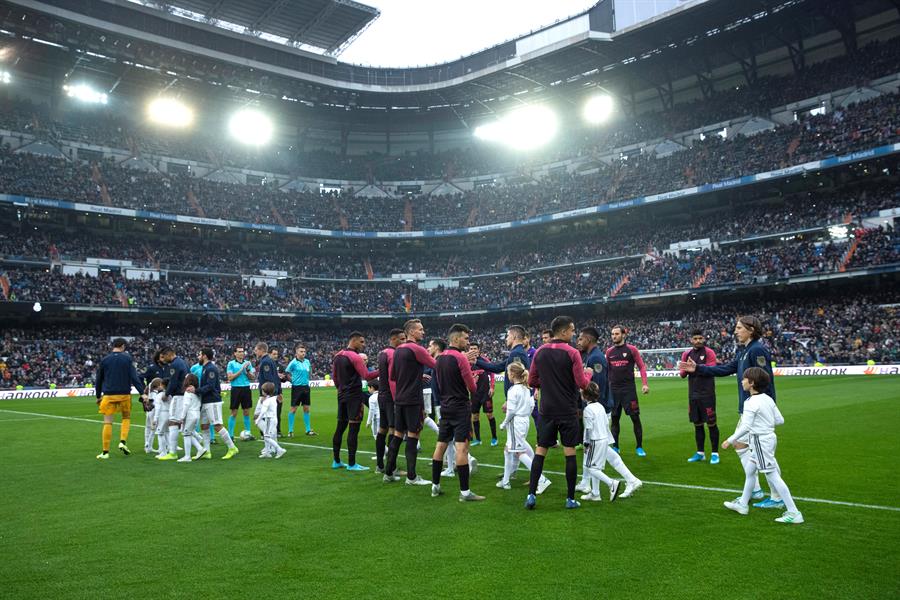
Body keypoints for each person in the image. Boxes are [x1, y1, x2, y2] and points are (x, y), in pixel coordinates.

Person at [678, 316, 783, 509]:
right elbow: (726, 369)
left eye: (739, 328)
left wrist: (766, 408)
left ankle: (776, 498)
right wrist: (698, 368)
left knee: (763, 455)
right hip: (748, 408)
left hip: (757, 410)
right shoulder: (744, 351)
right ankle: (757, 490)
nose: (736, 331)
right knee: (742, 446)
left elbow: (765, 380)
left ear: (751, 330)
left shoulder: (757, 350)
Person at [525, 316, 593, 510]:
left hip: (546, 409)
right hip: (567, 409)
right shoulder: (572, 353)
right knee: (569, 453)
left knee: (540, 451)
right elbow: (581, 382)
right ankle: (570, 499)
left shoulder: (539, 352)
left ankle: (531, 495)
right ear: (563, 332)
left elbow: (532, 381)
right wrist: (589, 376)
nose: (573, 334)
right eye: (572, 330)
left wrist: (547, 384)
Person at [721, 368, 803, 524]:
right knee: (750, 471)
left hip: (759, 441)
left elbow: (745, 427)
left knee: (773, 476)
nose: (742, 381)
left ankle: (794, 512)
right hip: (768, 439)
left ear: (752, 383)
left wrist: (730, 440)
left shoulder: (750, 402)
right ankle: (743, 504)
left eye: (744, 379)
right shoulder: (768, 399)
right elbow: (780, 420)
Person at [576, 327, 643, 499]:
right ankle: (591, 487)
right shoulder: (594, 356)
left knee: (593, 448)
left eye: (581, 339)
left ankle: (627, 480)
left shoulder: (596, 357)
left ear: (589, 340)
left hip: (598, 409)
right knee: (602, 451)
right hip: (600, 408)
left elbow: (595, 387)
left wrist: (589, 405)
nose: (578, 341)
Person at [429, 324, 485, 502]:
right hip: (460, 407)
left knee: (441, 445)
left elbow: (438, 384)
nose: (468, 342)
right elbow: (472, 388)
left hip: (445, 407)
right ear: (455, 339)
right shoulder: (460, 358)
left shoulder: (440, 359)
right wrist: (473, 377)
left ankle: (435, 486)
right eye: (466, 338)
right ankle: (465, 492)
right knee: (462, 448)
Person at [385, 318, 436, 486]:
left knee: (398, 435)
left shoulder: (398, 350)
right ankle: (412, 477)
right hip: (413, 399)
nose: (423, 332)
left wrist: (414, 375)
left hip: (399, 399)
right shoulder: (417, 349)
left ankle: (388, 473)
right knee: (413, 436)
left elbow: (393, 376)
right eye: (420, 329)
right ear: (412, 332)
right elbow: (436, 365)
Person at [497, 362, 550, 494]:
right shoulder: (527, 389)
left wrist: (504, 423)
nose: (508, 375)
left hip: (516, 422)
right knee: (509, 449)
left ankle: (541, 479)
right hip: (524, 421)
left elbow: (511, 411)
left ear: (513, 374)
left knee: (518, 452)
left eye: (509, 373)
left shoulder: (513, 390)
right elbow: (532, 405)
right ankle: (506, 480)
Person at [331, 332, 379, 471]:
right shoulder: (354, 356)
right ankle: (352, 464)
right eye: (362, 342)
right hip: (354, 396)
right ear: (354, 341)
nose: (364, 345)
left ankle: (336, 461)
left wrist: (340, 389)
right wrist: (383, 369)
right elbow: (367, 375)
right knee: (353, 429)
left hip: (342, 395)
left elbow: (335, 377)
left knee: (340, 428)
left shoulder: (338, 355)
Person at [94, 338, 145, 459]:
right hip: (124, 395)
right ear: (122, 346)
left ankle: (105, 452)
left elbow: (99, 380)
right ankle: (122, 441)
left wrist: (98, 396)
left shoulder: (105, 360)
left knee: (107, 422)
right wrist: (142, 393)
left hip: (108, 395)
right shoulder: (127, 359)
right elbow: (134, 377)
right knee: (126, 418)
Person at [605, 325, 649, 456]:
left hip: (628, 390)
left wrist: (645, 384)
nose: (614, 336)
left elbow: (641, 366)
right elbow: (607, 371)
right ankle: (616, 446)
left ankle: (639, 447)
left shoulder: (632, 350)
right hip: (614, 390)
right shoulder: (609, 352)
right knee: (615, 418)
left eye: (617, 334)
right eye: (612, 334)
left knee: (635, 418)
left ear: (624, 335)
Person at [679, 330, 720, 464]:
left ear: (704, 339)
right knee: (697, 424)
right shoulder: (687, 354)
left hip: (707, 394)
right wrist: (685, 368)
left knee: (711, 423)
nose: (698, 341)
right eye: (695, 338)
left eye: (700, 338)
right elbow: (682, 374)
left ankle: (715, 453)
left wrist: (695, 367)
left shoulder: (709, 352)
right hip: (693, 394)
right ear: (691, 340)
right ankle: (700, 453)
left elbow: (712, 369)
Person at [579, 382, 622, 502]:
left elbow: (588, 429)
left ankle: (611, 483)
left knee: (592, 468)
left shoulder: (588, 409)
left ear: (585, 395)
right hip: (604, 439)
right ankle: (595, 493)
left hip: (595, 440)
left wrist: (586, 444)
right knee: (596, 467)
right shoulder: (600, 406)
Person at [193, 347, 239, 460]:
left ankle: (232, 448)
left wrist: (196, 390)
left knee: (217, 425)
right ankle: (207, 451)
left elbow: (210, 386)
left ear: (204, 356)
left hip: (212, 401)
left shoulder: (211, 368)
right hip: (205, 401)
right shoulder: (204, 368)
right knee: (204, 426)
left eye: (199, 354)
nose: (198, 357)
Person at [375, 329, 405, 473]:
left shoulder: (382, 353)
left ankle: (380, 465)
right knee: (393, 430)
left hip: (382, 395)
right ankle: (391, 468)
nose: (404, 342)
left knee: (382, 429)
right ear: (393, 339)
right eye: (402, 339)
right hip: (391, 397)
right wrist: (396, 399)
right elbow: (392, 380)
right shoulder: (393, 354)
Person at [156, 347, 190, 461]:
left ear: (169, 354)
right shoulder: (182, 362)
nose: (163, 359)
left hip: (178, 396)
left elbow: (173, 382)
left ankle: (173, 452)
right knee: (183, 424)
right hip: (184, 395)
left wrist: (166, 394)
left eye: (163, 356)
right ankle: (200, 448)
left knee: (173, 423)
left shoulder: (174, 365)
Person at [468, 342, 497, 447]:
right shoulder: (467, 362)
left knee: (489, 415)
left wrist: (492, 387)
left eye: (475, 348)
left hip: (485, 393)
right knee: (474, 417)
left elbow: (492, 373)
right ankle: (478, 439)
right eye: (471, 348)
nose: (473, 350)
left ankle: (494, 438)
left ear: (479, 350)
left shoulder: (484, 360)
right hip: (474, 394)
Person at [226, 346, 255, 439]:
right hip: (236, 389)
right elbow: (230, 377)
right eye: (239, 351)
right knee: (234, 412)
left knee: (246, 412)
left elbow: (252, 378)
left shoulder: (248, 364)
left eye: (242, 351)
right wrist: (241, 369)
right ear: (235, 353)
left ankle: (248, 433)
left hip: (246, 388)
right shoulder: (231, 364)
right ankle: (230, 435)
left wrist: (247, 371)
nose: (241, 353)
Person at [285, 344, 315, 437]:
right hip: (297, 388)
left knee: (306, 409)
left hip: (306, 387)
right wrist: (292, 380)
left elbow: (310, 371)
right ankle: (290, 431)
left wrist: (309, 376)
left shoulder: (307, 361)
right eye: (301, 351)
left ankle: (308, 429)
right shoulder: (293, 362)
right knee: (293, 409)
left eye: (304, 352)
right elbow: (287, 372)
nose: (303, 353)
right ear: (296, 352)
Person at [176, 372, 206, 463]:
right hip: (196, 414)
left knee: (186, 434)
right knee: (189, 433)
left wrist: (181, 417)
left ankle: (188, 456)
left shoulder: (188, 392)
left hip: (190, 415)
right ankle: (200, 448)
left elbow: (186, 405)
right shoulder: (197, 393)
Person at [140, 350, 166, 454]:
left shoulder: (167, 368)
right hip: (151, 400)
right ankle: (148, 445)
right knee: (151, 424)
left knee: (162, 423)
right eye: (162, 357)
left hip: (162, 398)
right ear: (158, 358)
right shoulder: (152, 368)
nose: (164, 359)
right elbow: (140, 377)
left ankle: (162, 445)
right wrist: (144, 392)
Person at [254, 342, 281, 438]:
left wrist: (265, 395)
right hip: (270, 394)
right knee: (267, 418)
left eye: (256, 350)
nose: (255, 352)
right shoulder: (269, 361)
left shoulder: (265, 362)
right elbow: (276, 378)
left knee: (258, 417)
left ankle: (269, 435)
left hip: (267, 394)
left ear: (261, 350)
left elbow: (268, 379)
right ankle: (270, 436)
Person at [255, 382, 287, 459]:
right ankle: (267, 452)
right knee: (267, 435)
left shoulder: (267, 401)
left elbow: (263, 412)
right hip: (273, 419)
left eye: (262, 390)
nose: (261, 392)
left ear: (265, 391)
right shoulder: (273, 398)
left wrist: (257, 420)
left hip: (269, 419)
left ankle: (279, 449)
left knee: (266, 437)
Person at [145, 378, 170, 457]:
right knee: (163, 431)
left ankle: (161, 450)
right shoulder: (167, 394)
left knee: (159, 432)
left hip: (159, 413)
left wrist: (155, 418)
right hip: (163, 413)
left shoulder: (159, 394)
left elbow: (157, 406)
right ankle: (150, 447)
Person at [268, 347, 286, 436]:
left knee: (277, 413)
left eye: (276, 354)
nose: (275, 356)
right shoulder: (266, 364)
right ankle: (266, 432)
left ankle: (277, 431)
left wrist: (283, 377)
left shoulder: (280, 366)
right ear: (269, 354)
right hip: (268, 393)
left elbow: (283, 379)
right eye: (274, 354)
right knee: (268, 414)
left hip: (278, 392)